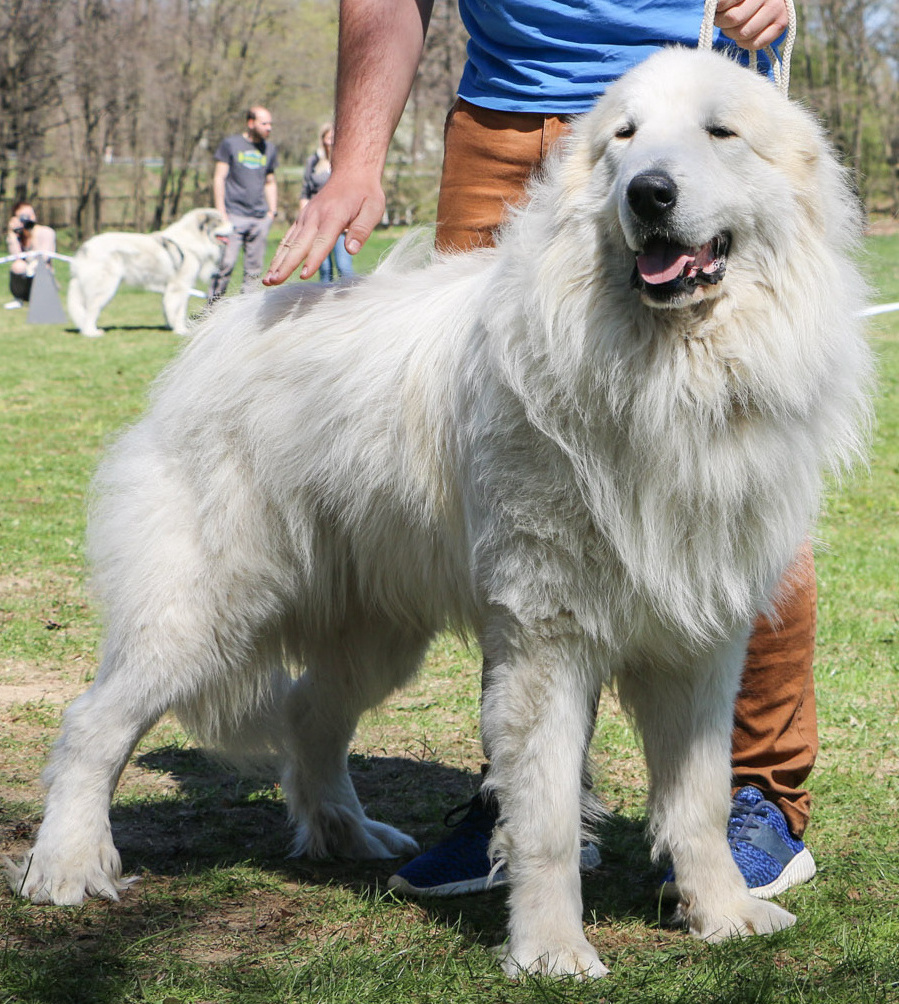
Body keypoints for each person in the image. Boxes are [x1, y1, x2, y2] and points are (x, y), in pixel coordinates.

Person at [264, 0, 818, 902]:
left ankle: (753, 802)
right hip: (506, 123)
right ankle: (526, 810)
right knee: (515, 538)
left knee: (741, 493)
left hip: (698, 87)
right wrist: (357, 162)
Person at [207, 106, 278, 303]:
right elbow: (219, 178)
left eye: (270, 124)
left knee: (254, 271)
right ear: (250, 123)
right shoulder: (231, 144)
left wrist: (272, 212)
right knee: (225, 265)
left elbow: (270, 181)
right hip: (233, 215)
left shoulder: (269, 149)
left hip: (259, 217)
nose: (269, 128)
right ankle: (211, 311)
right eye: (264, 123)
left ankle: (246, 315)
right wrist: (221, 212)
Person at [301, 124, 355, 282]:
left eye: (335, 138)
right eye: (329, 137)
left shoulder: (347, 163)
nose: (332, 141)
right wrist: (305, 220)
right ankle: (324, 304)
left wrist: (350, 221)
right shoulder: (313, 161)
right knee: (324, 269)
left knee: (344, 267)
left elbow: (352, 194)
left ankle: (351, 301)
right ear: (322, 140)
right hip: (318, 223)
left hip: (341, 223)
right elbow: (305, 193)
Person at [5, 201, 57, 308]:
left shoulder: (46, 232)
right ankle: (18, 299)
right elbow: (16, 257)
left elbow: (45, 257)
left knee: (41, 267)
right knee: (18, 266)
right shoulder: (18, 236)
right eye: (23, 216)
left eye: (30, 214)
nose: (28, 218)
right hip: (26, 279)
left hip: (41, 277)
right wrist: (12, 234)